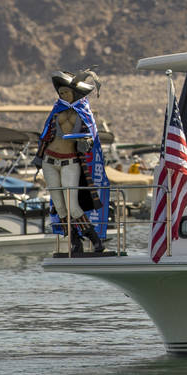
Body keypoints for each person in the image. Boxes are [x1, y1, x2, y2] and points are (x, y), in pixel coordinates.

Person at [37, 69, 106, 254]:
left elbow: (92, 136)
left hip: (70, 162)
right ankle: (75, 241)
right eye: (61, 93)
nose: (63, 95)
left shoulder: (84, 112)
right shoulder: (56, 110)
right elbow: (45, 135)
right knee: (59, 206)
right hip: (49, 160)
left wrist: (87, 143)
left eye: (66, 92)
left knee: (73, 205)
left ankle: (94, 239)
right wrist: (38, 155)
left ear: (74, 93)